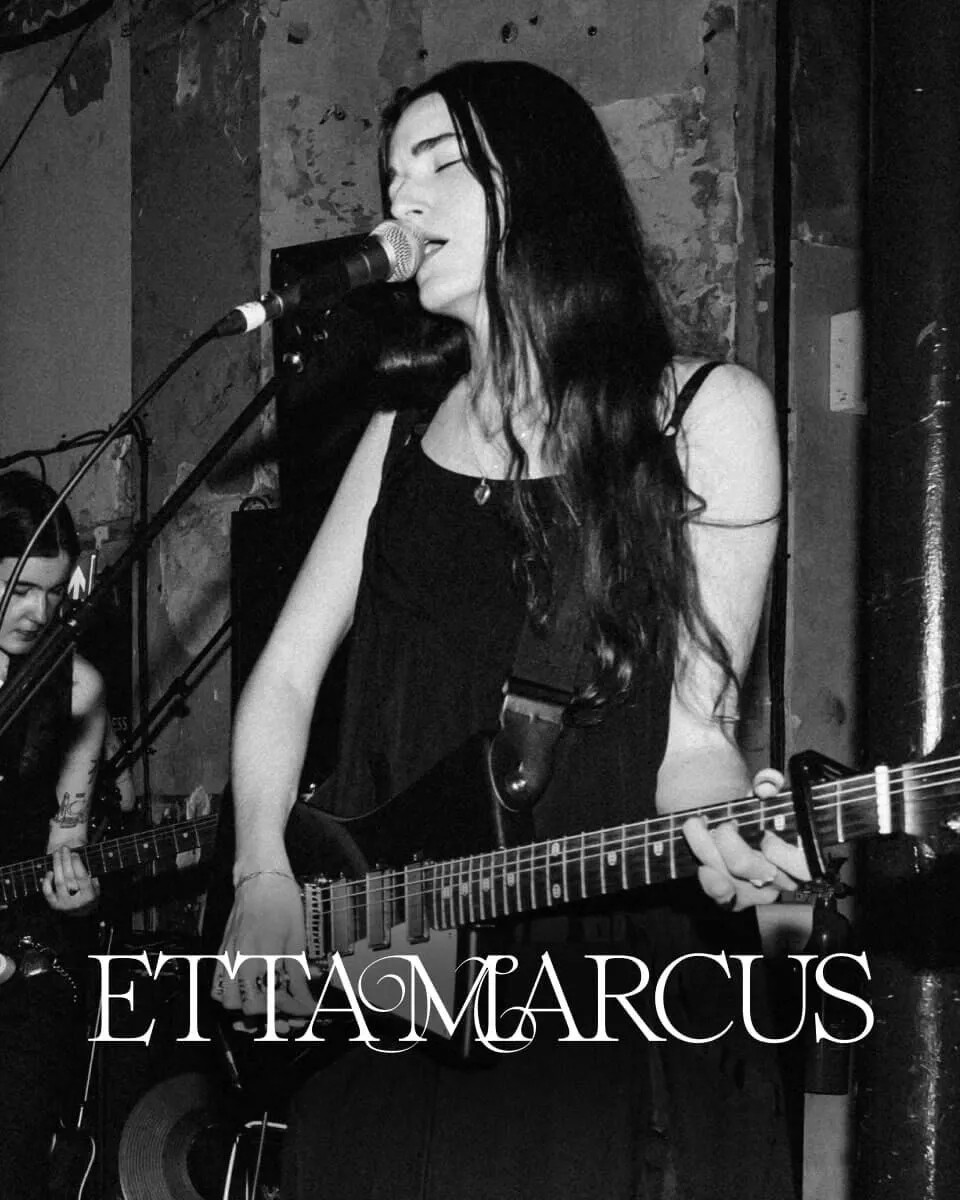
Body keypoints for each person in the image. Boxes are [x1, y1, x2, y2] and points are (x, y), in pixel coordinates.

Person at [214, 59, 811, 1199]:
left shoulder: (704, 416)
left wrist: (734, 831)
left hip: (583, 982)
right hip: (387, 972)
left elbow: (698, 737)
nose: (403, 202)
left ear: (542, 189)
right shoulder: (395, 436)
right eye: (392, 178)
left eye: (441, 166)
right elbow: (285, 673)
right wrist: (258, 875)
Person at [0, 470, 107, 1198]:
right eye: (20, 588)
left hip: (20, 955)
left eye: (55, 590)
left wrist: (76, 895)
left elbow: (65, 840)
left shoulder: (78, 688)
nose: (39, 611)